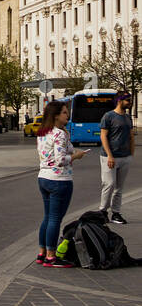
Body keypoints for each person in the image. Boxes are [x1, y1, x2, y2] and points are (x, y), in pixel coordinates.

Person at [37, 99, 87, 267]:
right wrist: (76, 157)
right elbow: (60, 159)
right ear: (56, 116)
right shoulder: (58, 134)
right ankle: (52, 256)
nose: (68, 115)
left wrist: (67, 136)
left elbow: (67, 148)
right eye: (65, 112)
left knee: (47, 217)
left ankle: (42, 252)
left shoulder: (44, 132)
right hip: (59, 180)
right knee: (55, 219)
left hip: (43, 177)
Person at [99, 92, 134, 224]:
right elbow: (103, 137)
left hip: (125, 157)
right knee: (109, 184)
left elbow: (131, 136)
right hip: (110, 157)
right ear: (119, 101)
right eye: (127, 100)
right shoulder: (108, 116)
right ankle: (102, 211)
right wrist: (109, 155)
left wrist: (131, 154)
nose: (130, 102)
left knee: (119, 187)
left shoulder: (127, 117)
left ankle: (116, 213)